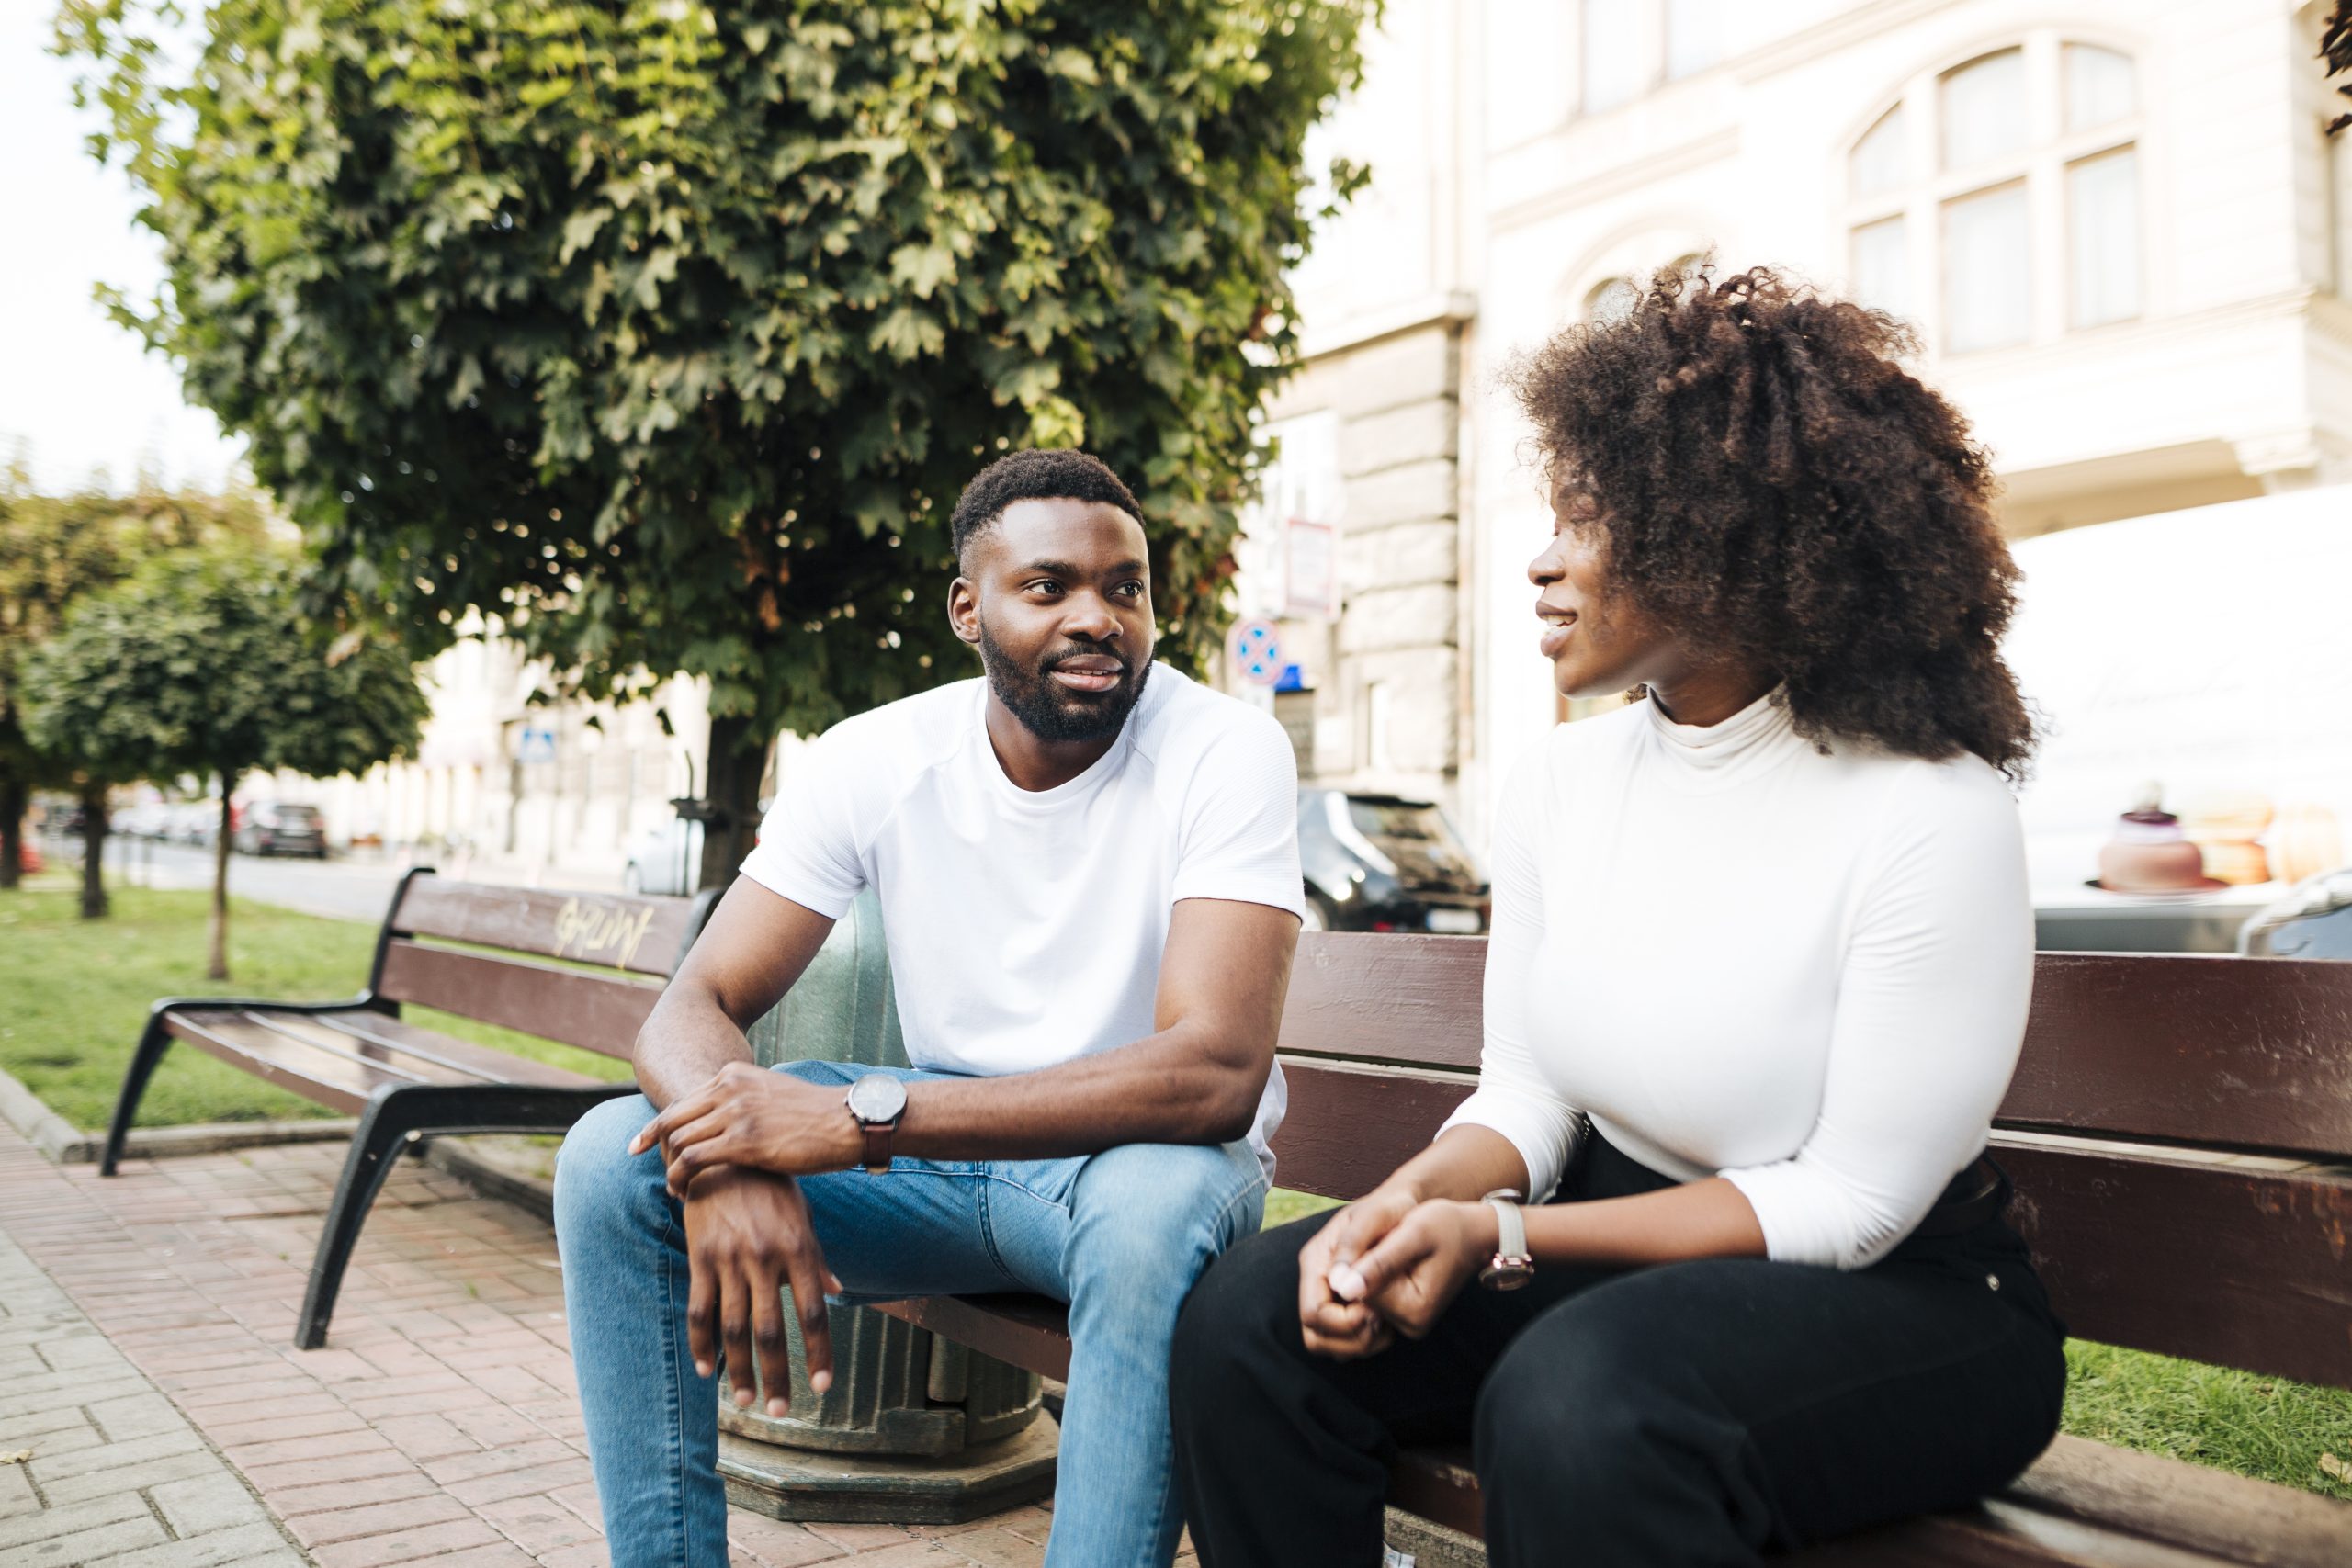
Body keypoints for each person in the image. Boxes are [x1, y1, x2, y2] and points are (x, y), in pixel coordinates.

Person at [1170, 266, 2066, 1567]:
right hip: (1632, 1251)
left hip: (1903, 1295)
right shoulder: (1558, 784)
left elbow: (1855, 1199)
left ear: (1724, 537)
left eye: (1586, 520)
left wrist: (1509, 1235)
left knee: (1583, 1402)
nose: (1541, 558)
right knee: (1252, 1316)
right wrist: (1402, 1204)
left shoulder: (1930, 809)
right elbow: (1527, 1098)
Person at [556, 448, 1305, 1568]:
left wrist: (861, 1120)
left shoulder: (1224, 750)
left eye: (1125, 587)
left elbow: (1210, 1075)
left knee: (1150, 1215)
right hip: (943, 1170)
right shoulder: (878, 756)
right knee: (615, 1155)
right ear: (968, 606)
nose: (1097, 617)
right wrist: (732, 1158)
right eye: (1049, 587)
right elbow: (691, 1005)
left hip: (1142, 1163)